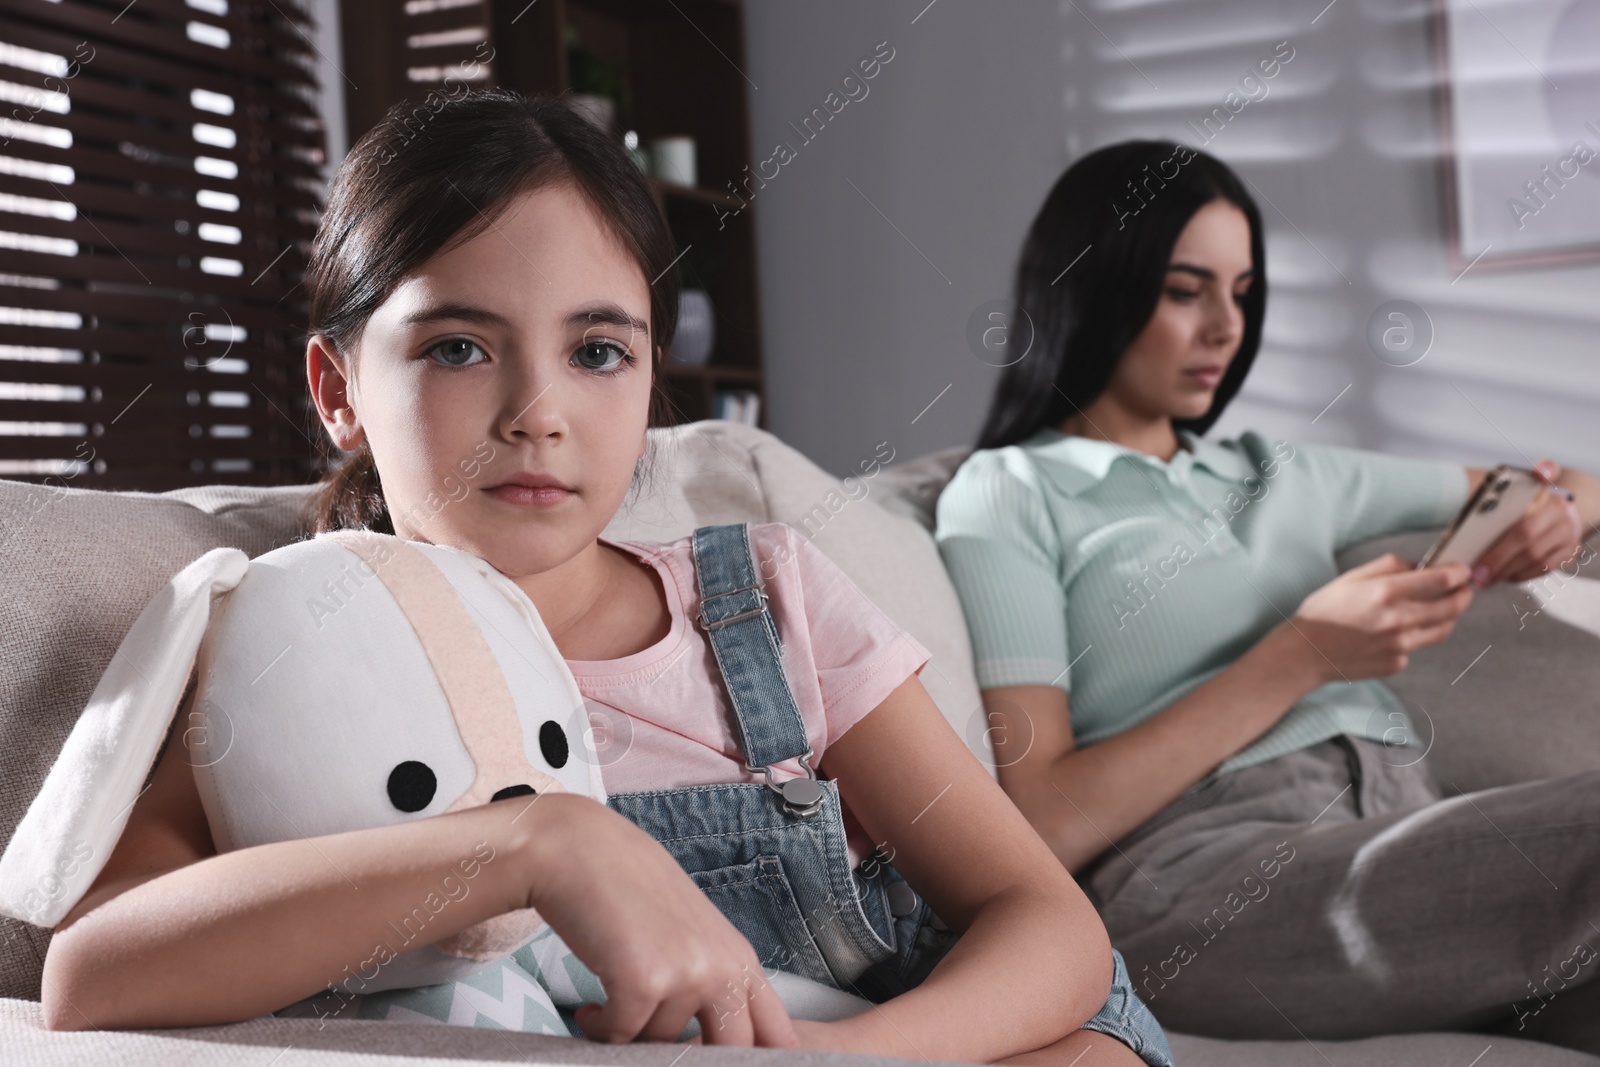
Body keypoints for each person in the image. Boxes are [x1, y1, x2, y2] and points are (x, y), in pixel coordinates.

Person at [38, 92, 1173, 1066]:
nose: (538, 412)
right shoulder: (295, 647)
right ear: (336, 387)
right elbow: (94, 974)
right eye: (457, 346)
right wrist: (541, 844)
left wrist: (846, 1056)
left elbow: (1046, 923)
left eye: (596, 351)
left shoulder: (765, 601)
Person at [934, 138, 1600, 1051]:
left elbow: (1564, 483)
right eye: (1184, 289)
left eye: (1242, 293)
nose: (1224, 327)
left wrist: (1555, 509)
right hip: (1202, 880)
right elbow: (1041, 822)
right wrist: (1305, 653)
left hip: (1416, 820)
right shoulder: (1011, 491)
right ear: (1092, 284)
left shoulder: (1281, 472)